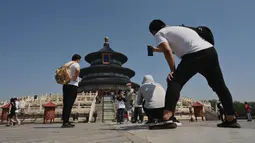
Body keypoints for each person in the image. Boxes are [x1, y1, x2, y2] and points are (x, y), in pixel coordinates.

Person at [148, 19, 240, 128]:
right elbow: (175, 48)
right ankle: (231, 118)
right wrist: (156, 50)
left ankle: (167, 118)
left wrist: (173, 70)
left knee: (174, 80)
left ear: (153, 32)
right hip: (210, 52)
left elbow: (168, 51)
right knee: (219, 86)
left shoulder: (159, 33)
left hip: (194, 54)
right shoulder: (178, 29)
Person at [62, 54, 81, 128]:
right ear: (77, 59)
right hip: (72, 86)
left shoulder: (67, 64)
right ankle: (66, 122)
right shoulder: (75, 64)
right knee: (69, 104)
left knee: (66, 103)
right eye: (79, 60)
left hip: (65, 85)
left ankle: (64, 121)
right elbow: (78, 70)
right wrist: (75, 78)